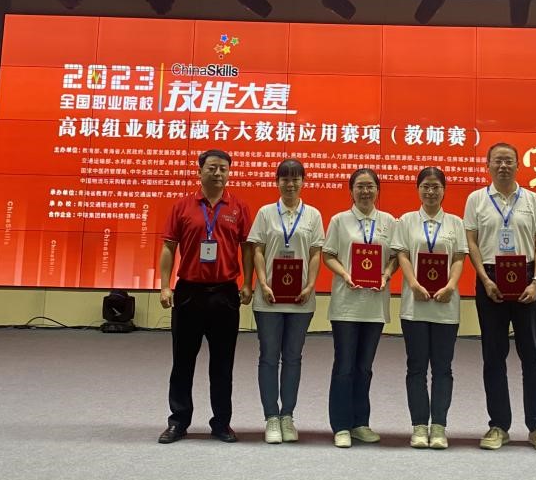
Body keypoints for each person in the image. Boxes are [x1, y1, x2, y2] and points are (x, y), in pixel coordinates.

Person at [464, 142, 536, 453]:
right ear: (488, 165)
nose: (503, 166)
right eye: (497, 161)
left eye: (508, 161)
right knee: (493, 357)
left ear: (518, 165)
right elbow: (472, 242)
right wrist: (484, 279)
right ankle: (498, 426)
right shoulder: (476, 199)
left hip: (527, 279)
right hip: (491, 280)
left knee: (533, 357)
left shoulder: (533, 200)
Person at [157, 149, 253, 444]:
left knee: (223, 365)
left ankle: (221, 423)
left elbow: (247, 248)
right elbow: (169, 247)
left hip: (225, 293)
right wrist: (165, 285)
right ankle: (178, 421)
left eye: (223, 168)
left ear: (229, 172)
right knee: (182, 362)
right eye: (212, 168)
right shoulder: (182, 206)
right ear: (199, 171)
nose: (218, 173)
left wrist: (248, 283)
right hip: (189, 292)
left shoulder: (238, 207)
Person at [248, 159, 325, 444]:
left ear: (303, 181)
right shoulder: (266, 213)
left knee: (293, 357)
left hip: (300, 298)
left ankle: (287, 416)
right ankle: (271, 416)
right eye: (285, 179)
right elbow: (257, 250)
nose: (290, 184)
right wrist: (263, 283)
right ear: (277, 182)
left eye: (295, 179)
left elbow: (316, 253)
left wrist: (310, 285)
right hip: (268, 297)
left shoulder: (313, 215)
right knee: (269, 357)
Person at [392, 167, 467, 449]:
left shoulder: (455, 223)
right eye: (425, 186)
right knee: (416, 367)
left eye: (436, 186)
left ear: (444, 190)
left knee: (443, 368)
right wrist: (412, 284)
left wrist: (451, 286)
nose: (431, 191)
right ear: (418, 189)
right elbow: (402, 255)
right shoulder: (407, 221)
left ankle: (439, 427)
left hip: (445, 305)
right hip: (415, 305)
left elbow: (459, 258)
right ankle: (419, 426)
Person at [322, 168, 397, 449]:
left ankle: (360, 423)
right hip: (346, 304)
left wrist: (386, 275)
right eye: (360, 186)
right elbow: (328, 254)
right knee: (344, 366)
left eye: (370, 186)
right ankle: (341, 425)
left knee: (364, 367)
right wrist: (345, 274)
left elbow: (395, 257)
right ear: (351, 190)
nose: (365, 191)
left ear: (378, 190)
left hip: (375, 304)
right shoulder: (339, 221)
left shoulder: (389, 222)